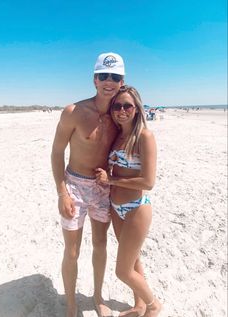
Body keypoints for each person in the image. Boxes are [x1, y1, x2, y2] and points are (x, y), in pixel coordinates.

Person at [51, 52, 125, 317]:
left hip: (103, 187)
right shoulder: (74, 111)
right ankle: (71, 306)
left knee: (100, 245)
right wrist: (62, 193)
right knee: (72, 251)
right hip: (74, 186)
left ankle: (97, 297)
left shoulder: (121, 115)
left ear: (121, 81)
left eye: (115, 77)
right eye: (104, 76)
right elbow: (57, 152)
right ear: (95, 79)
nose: (109, 81)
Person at [95, 85, 162, 317]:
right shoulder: (118, 135)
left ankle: (153, 305)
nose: (121, 110)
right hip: (116, 207)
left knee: (122, 271)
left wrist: (112, 180)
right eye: (117, 105)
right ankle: (139, 305)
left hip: (136, 208)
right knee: (133, 260)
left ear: (137, 108)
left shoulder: (144, 136)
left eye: (127, 105)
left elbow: (148, 182)